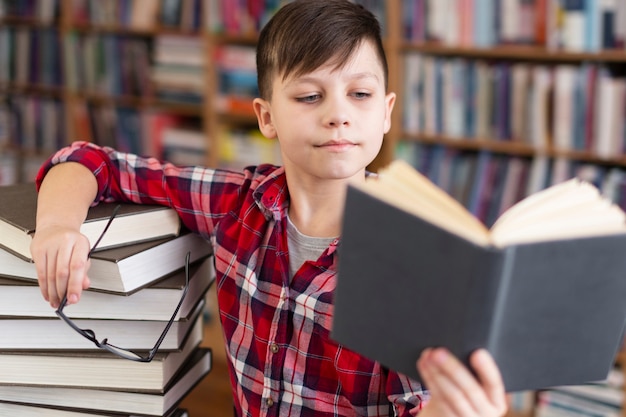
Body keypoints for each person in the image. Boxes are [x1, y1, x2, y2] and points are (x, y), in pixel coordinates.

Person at [30, 1, 507, 416]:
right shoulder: (234, 202)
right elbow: (87, 160)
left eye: (359, 94)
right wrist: (55, 227)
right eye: (309, 95)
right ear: (266, 117)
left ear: (385, 112)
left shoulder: (415, 260)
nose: (338, 113)